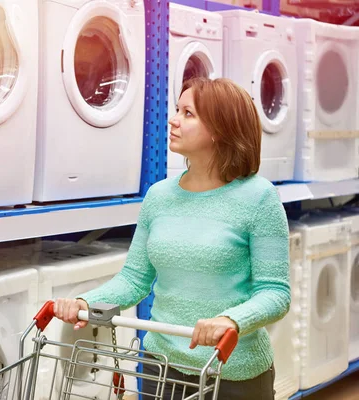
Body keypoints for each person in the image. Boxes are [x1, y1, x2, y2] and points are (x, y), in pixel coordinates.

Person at [53, 77, 291, 399]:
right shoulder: (159, 196)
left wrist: (230, 319)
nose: (173, 119)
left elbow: (275, 293)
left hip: (232, 373)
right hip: (160, 368)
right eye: (177, 109)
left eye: (188, 113)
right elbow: (135, 279)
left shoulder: (259, 198)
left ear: (219, 129)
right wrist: (85, 301)